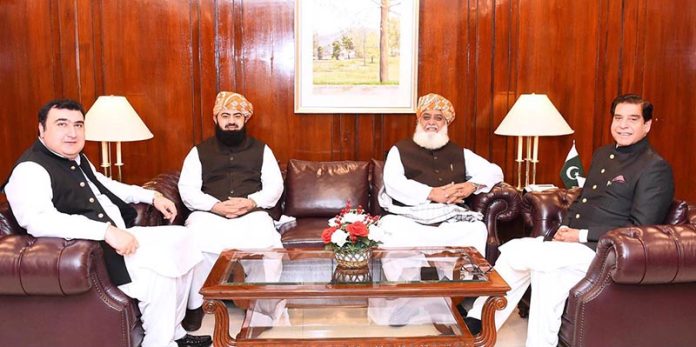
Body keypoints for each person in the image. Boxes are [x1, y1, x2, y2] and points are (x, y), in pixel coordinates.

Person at [465, 94, 675, 347]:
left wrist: (581, 235)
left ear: (647, 125)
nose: (623, 125)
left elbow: (641, 228)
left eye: (633, 119)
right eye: (618, 118)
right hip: (574, 245)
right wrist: (566, 228)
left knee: (522, 254)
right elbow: (584, 199)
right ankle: (478, 328)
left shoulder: (654, 167)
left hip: (606, 250)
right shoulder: (603, 154)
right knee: (537, 267)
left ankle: (477, 324)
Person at [3, 99, 211, 347]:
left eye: (78, 125)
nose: (72, 133)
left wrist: (151, 196)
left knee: (182, 239)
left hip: (116, 234)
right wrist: (105, 231)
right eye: (62, 124)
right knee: (160, 270)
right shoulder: (29, 169)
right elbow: (37, 221)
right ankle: (159, 343)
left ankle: (175, 333)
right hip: (92, 250)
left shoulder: (75, 158)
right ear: (41, 129)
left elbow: (104, 185)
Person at [178, 91, 285, 328]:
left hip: (251, 214)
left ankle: (262, 310)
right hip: (209, 214)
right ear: (215, 119)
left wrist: (250, 202)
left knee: (268, 247)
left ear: (246, 120)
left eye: (237, 115)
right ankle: (196, 306)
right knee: (195, 242)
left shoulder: (262, 150)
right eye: (225, 115)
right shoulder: (199, 152)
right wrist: (214, 206)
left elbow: (275, 186)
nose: (231, 120)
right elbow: (187, 189)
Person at [378, 92, 504, 255]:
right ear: (419, 120)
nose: (431, 122)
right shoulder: (400, 150)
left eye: (438, 118)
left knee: (476, 229)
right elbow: (393, 182)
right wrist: (431, 193)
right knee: (391, 228)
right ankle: (406, 281)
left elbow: (494, 171)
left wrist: (471, 185)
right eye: (426, 117)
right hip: (408, 219)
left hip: (449, 219)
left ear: (446, 123)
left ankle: (465, 280)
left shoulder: (460, 152)